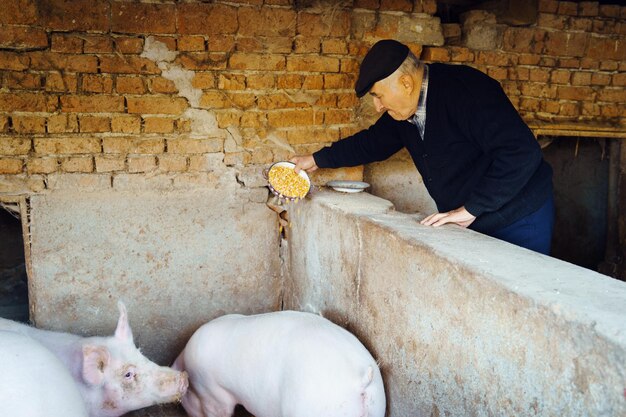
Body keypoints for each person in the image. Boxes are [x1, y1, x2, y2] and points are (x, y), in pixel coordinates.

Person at [291, 39, 554, 255]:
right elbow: (372, 143)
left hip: (518, 216)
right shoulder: (404, 113)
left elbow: (522, 152)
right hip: (470, 217)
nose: (378, 107)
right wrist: (315, 160)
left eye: (379, 96)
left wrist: (472, 208)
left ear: (406, 83)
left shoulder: (467, 92)